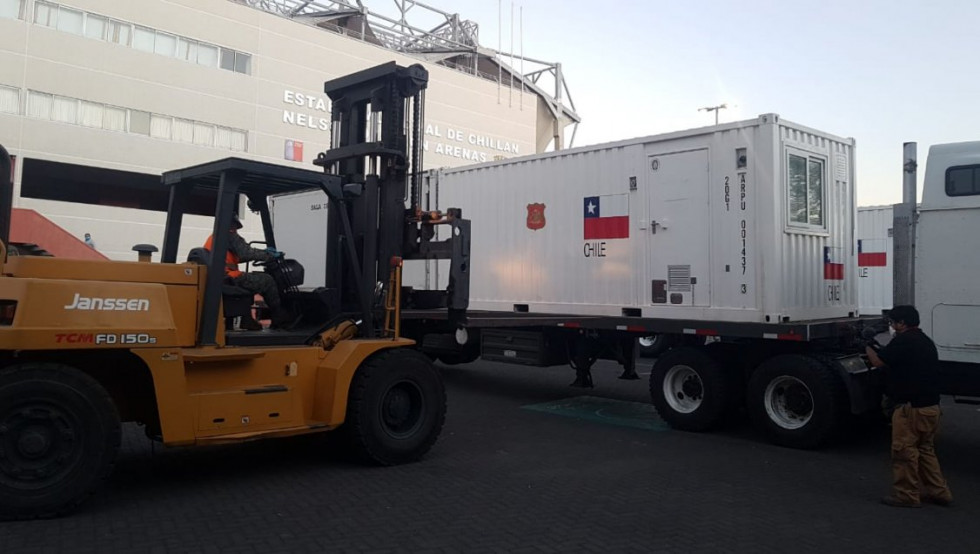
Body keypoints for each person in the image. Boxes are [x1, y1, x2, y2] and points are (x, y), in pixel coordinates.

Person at [865, 305, 953, 508]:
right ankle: (939, 492)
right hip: (931, 408)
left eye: (893, 322)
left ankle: (906, 495)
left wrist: (867, 346)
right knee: (926, 450)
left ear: (902, 323)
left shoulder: (903, 341)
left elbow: (878, 362)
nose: (892, 327)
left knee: (904, 452)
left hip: (910, 410)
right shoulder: (924, 340)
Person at [203, 215, 289, 330]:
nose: (235, 229)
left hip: (221, 277)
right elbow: (246, 253)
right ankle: (279, 318)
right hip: (230, 277)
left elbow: (238, 256)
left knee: (252, 282)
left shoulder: (215, 237)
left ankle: (247, 319)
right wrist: (269, 256)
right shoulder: (230, 235)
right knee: (267, 281)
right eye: (234, 226)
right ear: (231, 224)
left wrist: (263, 253)